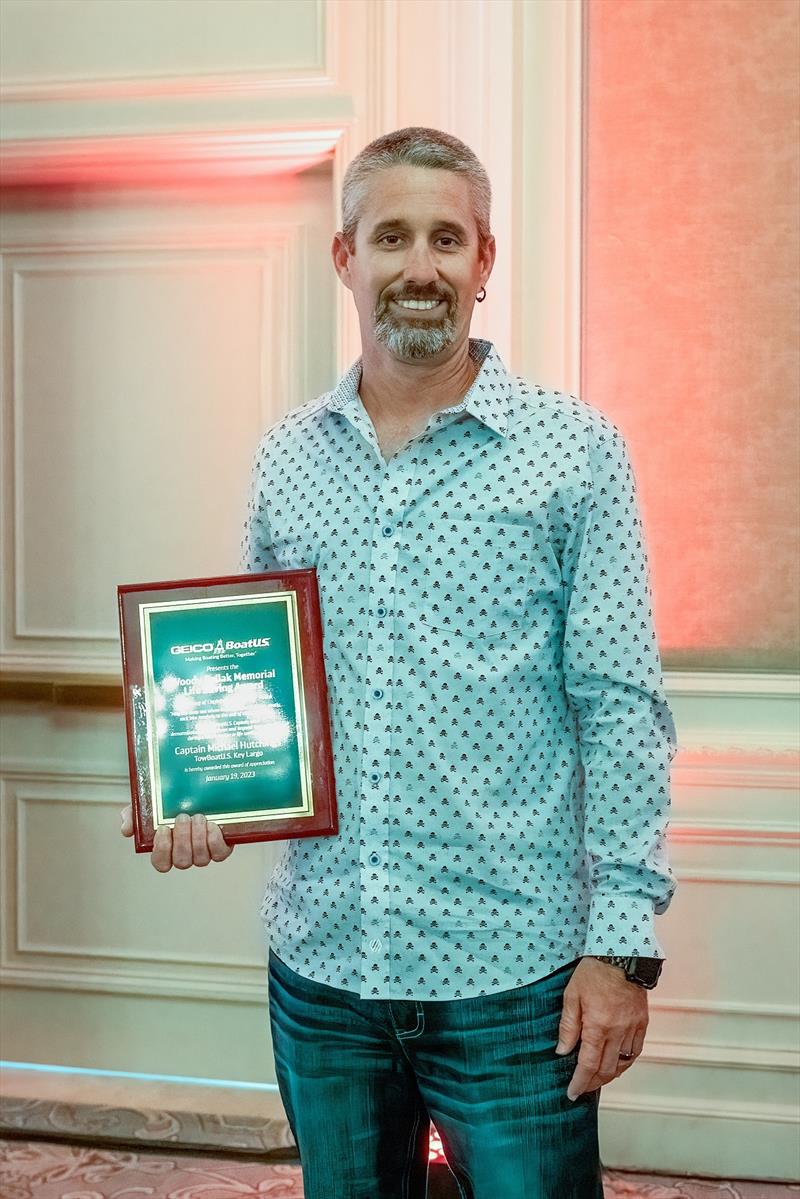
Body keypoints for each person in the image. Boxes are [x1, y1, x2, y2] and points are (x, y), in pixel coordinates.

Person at [121, 126, 678, 1199]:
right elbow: (254, 683)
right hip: (324, 973)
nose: (418, 265)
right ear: (346, 258)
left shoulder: (574, 450)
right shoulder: (287, 455)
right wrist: (205, 795)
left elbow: (619, 707)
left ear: (483, 261)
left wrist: (619, 950)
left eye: (444, 237)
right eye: (390, 236)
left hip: (518, 980)